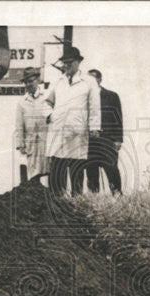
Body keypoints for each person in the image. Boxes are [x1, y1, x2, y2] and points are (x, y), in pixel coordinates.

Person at [44, 46, 100, 196]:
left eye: (70, 62)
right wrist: (50, 115)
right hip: (58, 129)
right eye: (64, 62)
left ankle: (77, 201)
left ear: (78, 62)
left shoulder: (89, 81)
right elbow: (46, 102)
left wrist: (94, 127)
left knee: (77, 167)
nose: (66, 65)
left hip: (77, 130)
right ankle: (57, 200)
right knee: (57, 167)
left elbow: (94, 106)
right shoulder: (57, 81)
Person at [84, 69, 124, 195]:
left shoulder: (112, 96)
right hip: (91, 140)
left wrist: (118, 139)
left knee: (111, 168)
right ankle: (94, 196)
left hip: (108, 139)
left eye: (93, 79)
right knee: (91, 170)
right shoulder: (84, 98)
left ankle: (117, 194)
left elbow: (118, 118)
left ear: (100, 80)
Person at [15, 67, 50, 182]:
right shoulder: (22, 102)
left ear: (38, 80)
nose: (28, 84)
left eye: (31, 81)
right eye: (26, 82)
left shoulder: (47, 96)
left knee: (51, 172)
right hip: (31, 144)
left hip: (47, 141)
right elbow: (19, 125)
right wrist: (20, 144)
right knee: (34, 176)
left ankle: (55, 198)